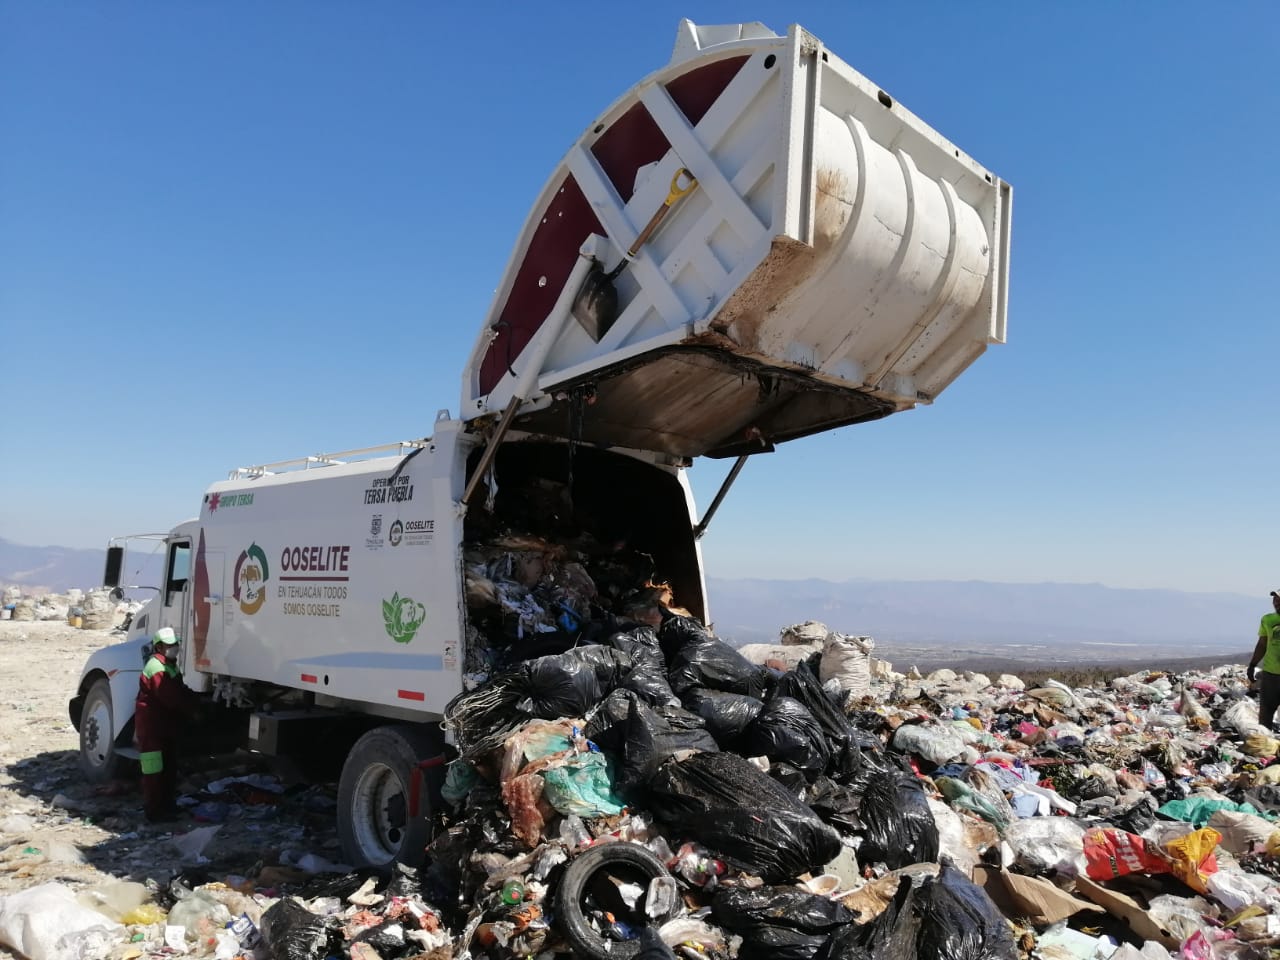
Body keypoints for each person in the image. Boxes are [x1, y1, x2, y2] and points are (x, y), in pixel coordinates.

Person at [135, 627, 197, 822]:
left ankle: (167, 806)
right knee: (154, 771)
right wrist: (193, 709)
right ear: (159, 646)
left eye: (175, 644)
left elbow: (178, 689)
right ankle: (154, 811)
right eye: (169, 645)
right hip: (152, 726)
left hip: (164, 725)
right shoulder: (157, 668)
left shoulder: (169, 665)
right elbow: (170, 697)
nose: (174, 648)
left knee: (168, 768)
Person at [1246, 591, 1280, 729]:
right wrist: (1252, 664)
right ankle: (1266, 744)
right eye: (1275, 600)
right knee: (1266, 712)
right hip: (1270, 674)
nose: (1277, 603)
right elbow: (1262, 644)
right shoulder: (1268, 619)